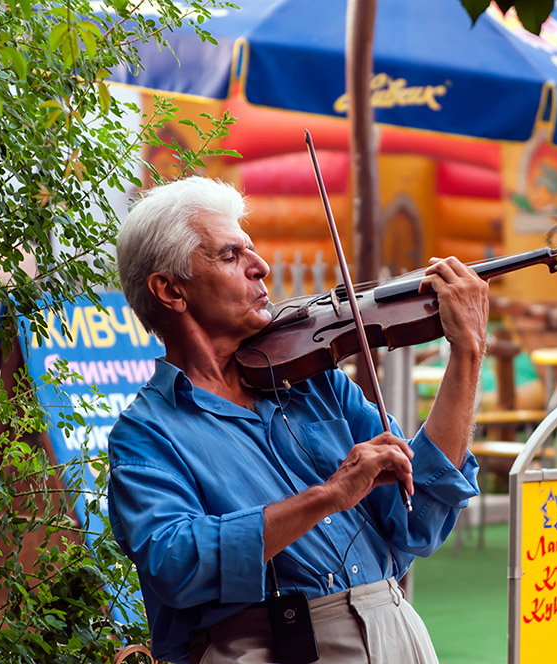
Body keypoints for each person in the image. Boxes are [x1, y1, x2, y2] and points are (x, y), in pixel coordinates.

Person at [108, 176, 486, 664]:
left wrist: (467, 354)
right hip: (273, 647)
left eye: (251, 250)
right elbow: (177, 563)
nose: (261, 266)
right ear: (171, 291)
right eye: (229, 256)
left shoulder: (315, 382)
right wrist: (328, 496)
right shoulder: (148, 433)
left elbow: (417, 520)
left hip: (396, 631)